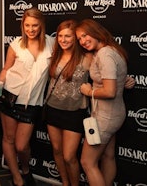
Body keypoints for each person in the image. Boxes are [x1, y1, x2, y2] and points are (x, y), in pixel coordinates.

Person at [0, 7, 54, 186]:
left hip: (32, 104)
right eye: (27, 25)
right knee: (8, 139)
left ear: (41, 25)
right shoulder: (15, 44)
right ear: (22, 25)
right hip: (10, 98)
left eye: (35, 25)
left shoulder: (52, 44)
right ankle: (17, 178)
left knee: (21, 146)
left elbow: (69, 61)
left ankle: (25, 169)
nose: (31, 29)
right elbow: (6, 69)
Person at [75, 19, 129, 186]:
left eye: (85, 35)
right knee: (108, 156)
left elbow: (109, 91)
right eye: (79, 39)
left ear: (96, 31)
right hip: (114, 114)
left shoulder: (105, 53)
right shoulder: (112, 50)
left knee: (87, 162)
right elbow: (113, 79)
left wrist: (88, 91)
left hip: (105, 117)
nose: (83, 41)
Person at [44, 20, 93, 186]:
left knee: (69, 156)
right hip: (53, 109)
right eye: (60, 36)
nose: (63, 40)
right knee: (57, 151)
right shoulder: (54, 55)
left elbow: (106, 73)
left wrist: (126, 79)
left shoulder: (87, 58)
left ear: (75, 38)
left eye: (68, 36)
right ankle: (65, 183)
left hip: (74, 112)